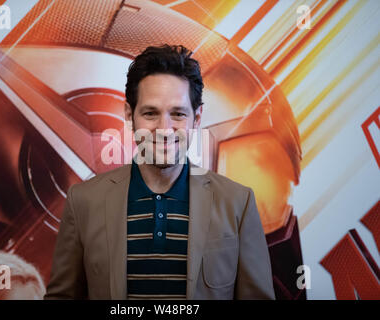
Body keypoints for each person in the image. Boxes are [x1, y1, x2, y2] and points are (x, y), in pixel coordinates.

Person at [44, 44, 275, 300]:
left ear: (196, 119)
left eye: (178, 114)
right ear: (129, 115)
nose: (164, 128)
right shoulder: (84, 201)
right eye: (150, 113)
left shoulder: (237, 203)